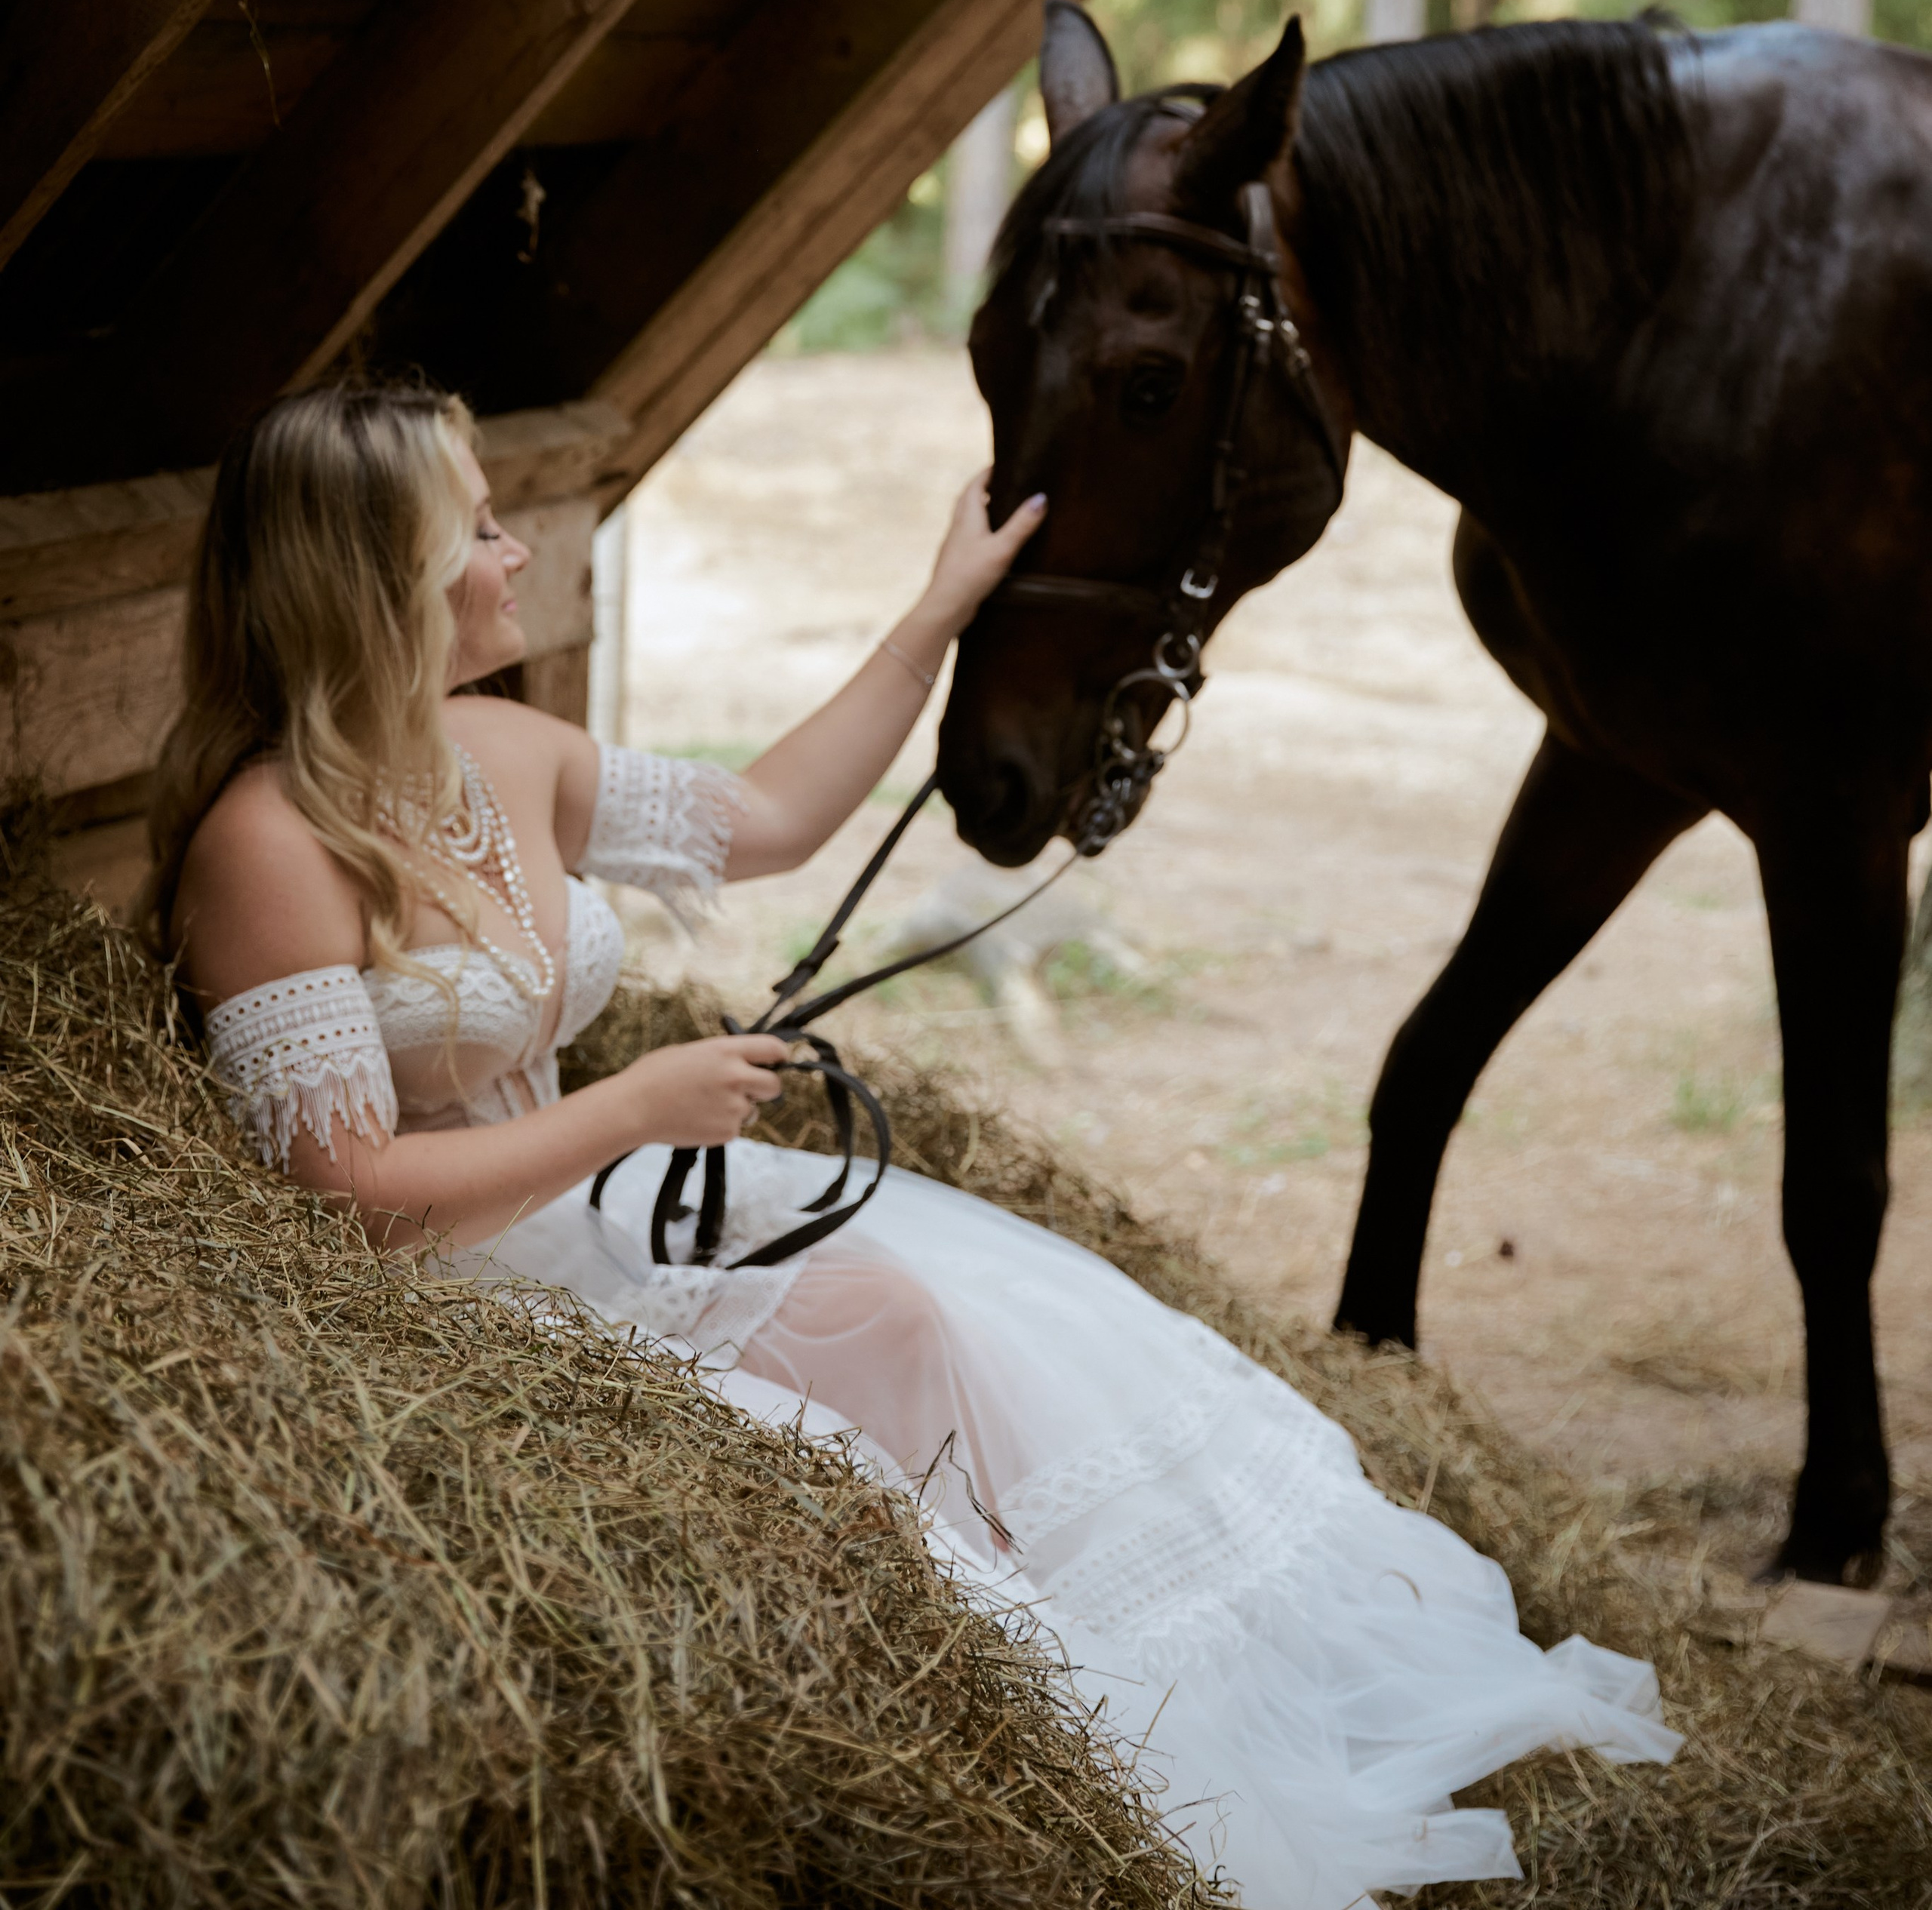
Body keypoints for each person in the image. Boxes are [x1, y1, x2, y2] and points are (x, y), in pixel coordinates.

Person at [153, 380, 1678, 1908]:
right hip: (435, 1298)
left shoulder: (500, 746)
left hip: (587, 1202)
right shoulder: (270, 846)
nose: (512, 555)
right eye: (474, 531)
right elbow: (340, 1198)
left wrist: (936, 615)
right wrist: (630, 1109)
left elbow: (767, 817)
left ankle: (1118, 1713)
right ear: (377, 579)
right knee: (840, 1401)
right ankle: (1058, 1736)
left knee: (923, 1314)